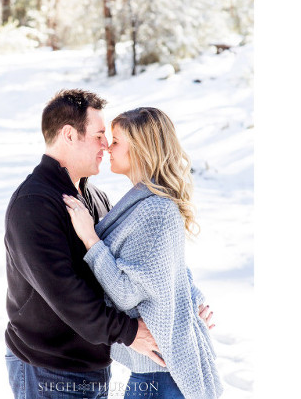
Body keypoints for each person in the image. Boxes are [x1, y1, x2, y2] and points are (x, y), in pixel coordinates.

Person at [4, 90, 165, 399]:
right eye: (99, 135)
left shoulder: (95, 198)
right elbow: (66, 292)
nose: (106, 145)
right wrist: (130, 333)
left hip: (93, 365)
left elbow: (126, 270)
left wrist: (182, 302)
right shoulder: (34, 203)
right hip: (47, 368)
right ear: (69, 135)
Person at [63, 107, 223, 399]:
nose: (107, 148)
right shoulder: (145, 203)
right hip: (158, 373)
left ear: (140, 149)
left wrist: (90, 238)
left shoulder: (154, 211)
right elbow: (169, 269)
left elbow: (127, 291)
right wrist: (192, 301)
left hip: (161, 378)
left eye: (116, 141)